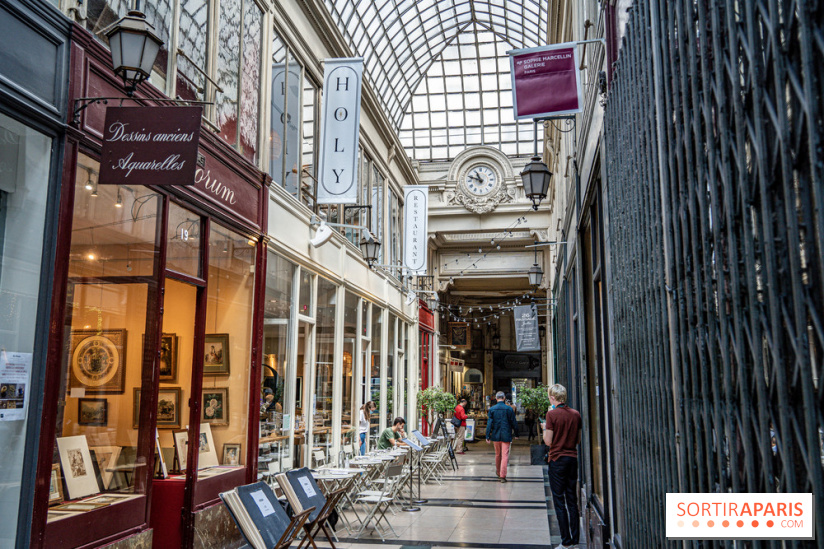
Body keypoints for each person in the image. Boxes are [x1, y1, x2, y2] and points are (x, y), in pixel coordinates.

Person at [544, 384, 582, 549]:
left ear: (553, 397)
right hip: (572, 459)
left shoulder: (551, 415)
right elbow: (577, 440)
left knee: (559, 501)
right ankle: (575, 540)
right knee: (572, 500)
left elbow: (548, 441)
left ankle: (566, 542)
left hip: (557, 460)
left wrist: (544, 430)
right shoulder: (576, 414)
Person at [486, 391, 518, 482]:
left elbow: (489, 424)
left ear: (496, 398)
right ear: (504, 398)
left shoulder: (492, 409)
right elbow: (514, 422)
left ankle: (498, 471)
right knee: (505, 455)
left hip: (495, 435)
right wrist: (516, 434)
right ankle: (502, 475)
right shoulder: (509, 409)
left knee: (497, 454)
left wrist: (487, 436)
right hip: (506, 435)